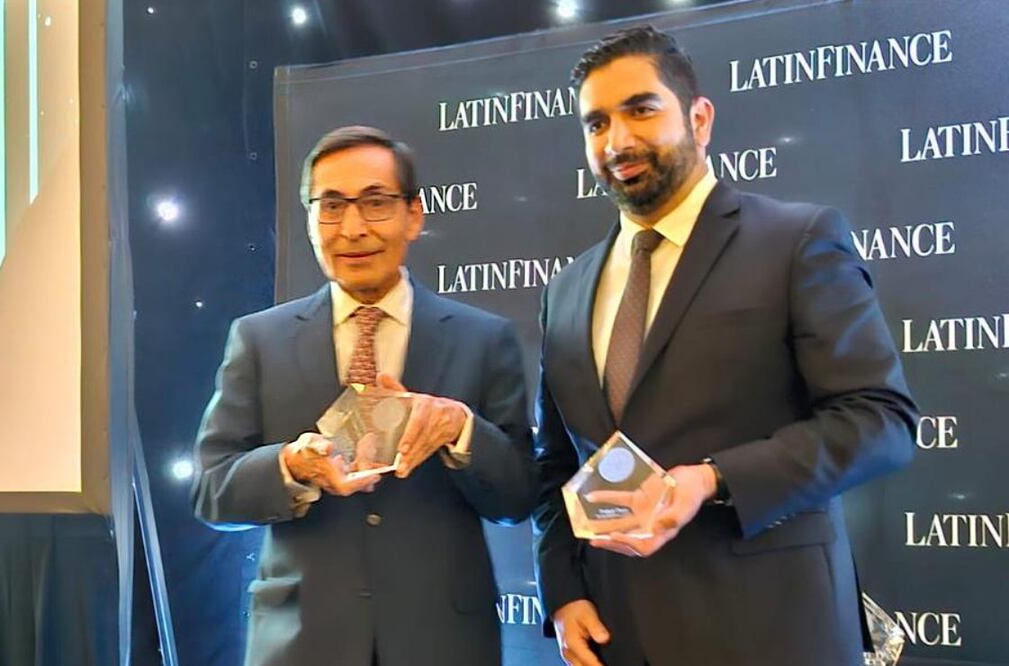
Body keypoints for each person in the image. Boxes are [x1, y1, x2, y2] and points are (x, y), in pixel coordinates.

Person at [532, 25, 917, 666]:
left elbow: (880, 422)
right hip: (618, 637)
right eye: (596, 124)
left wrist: (711, 480)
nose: (617, 140)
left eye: (641, 109)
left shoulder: (797, 241)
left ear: (700, 118)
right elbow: (553, 466)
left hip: (772, 630)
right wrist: (563, 592)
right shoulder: (567, 288)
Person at [193, 125, 537, 666]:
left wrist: (461, 429)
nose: (352, 228)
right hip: (302, 642)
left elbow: (519, 497)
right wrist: (291, 466)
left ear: (414, 215)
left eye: (375, 203)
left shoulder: (482, 339)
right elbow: (212, 491)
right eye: (330, 206)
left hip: (443, 643)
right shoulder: (259, 339)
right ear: (310, 220)